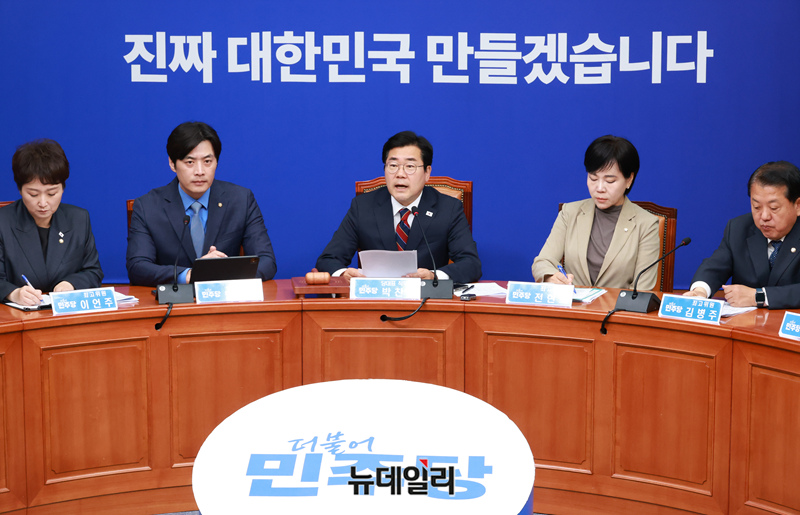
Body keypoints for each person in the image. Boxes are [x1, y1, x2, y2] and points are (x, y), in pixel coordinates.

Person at [315, 130, 481, 284]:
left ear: (427, 173)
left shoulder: (448, 208)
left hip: (427, 299)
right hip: (376, 298)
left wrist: (434, 276)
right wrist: (343, 274)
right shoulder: (363, 206)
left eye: (410, 166)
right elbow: (328, 259)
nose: (400, 174)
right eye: (393, 165)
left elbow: (471, 264)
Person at [126, 121, 277, 285]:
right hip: (175, 298)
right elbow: (137, 267)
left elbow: (267, 261)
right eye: (190, 162)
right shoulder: (147, 207)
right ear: (172, 164)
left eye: (207, 161)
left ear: (216, 162)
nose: (199, 171)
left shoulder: (241, 200)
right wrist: (191, 275)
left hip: (223, 297)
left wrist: (222, 273)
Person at [532, 135, 660, 289]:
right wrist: (551, 277)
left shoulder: (646, 224)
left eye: (610, 181)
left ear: (629, 179)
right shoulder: (570, 212)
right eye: (593, 178)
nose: (599, 188)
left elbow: (642, 289)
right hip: (573, 303)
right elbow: (543, 261)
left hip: (617, 304)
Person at [0, 139, 103, 306]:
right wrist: (14, 293)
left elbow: (93, 271)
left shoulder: (78, 219)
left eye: (51, 193)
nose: (43, 203)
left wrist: (71, 284)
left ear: (63, 188)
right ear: (20, 189)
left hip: (66, 313)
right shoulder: (3, 222)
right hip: (17, 315)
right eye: (33, 194)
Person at [684, 161, 800, 309]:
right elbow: (715, 266)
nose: (764, 216)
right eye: (756, 206)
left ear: (798, 205)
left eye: (774, 208)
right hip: (747, 321)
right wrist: (700, 291)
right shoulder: (739, 228)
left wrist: (760, 297)